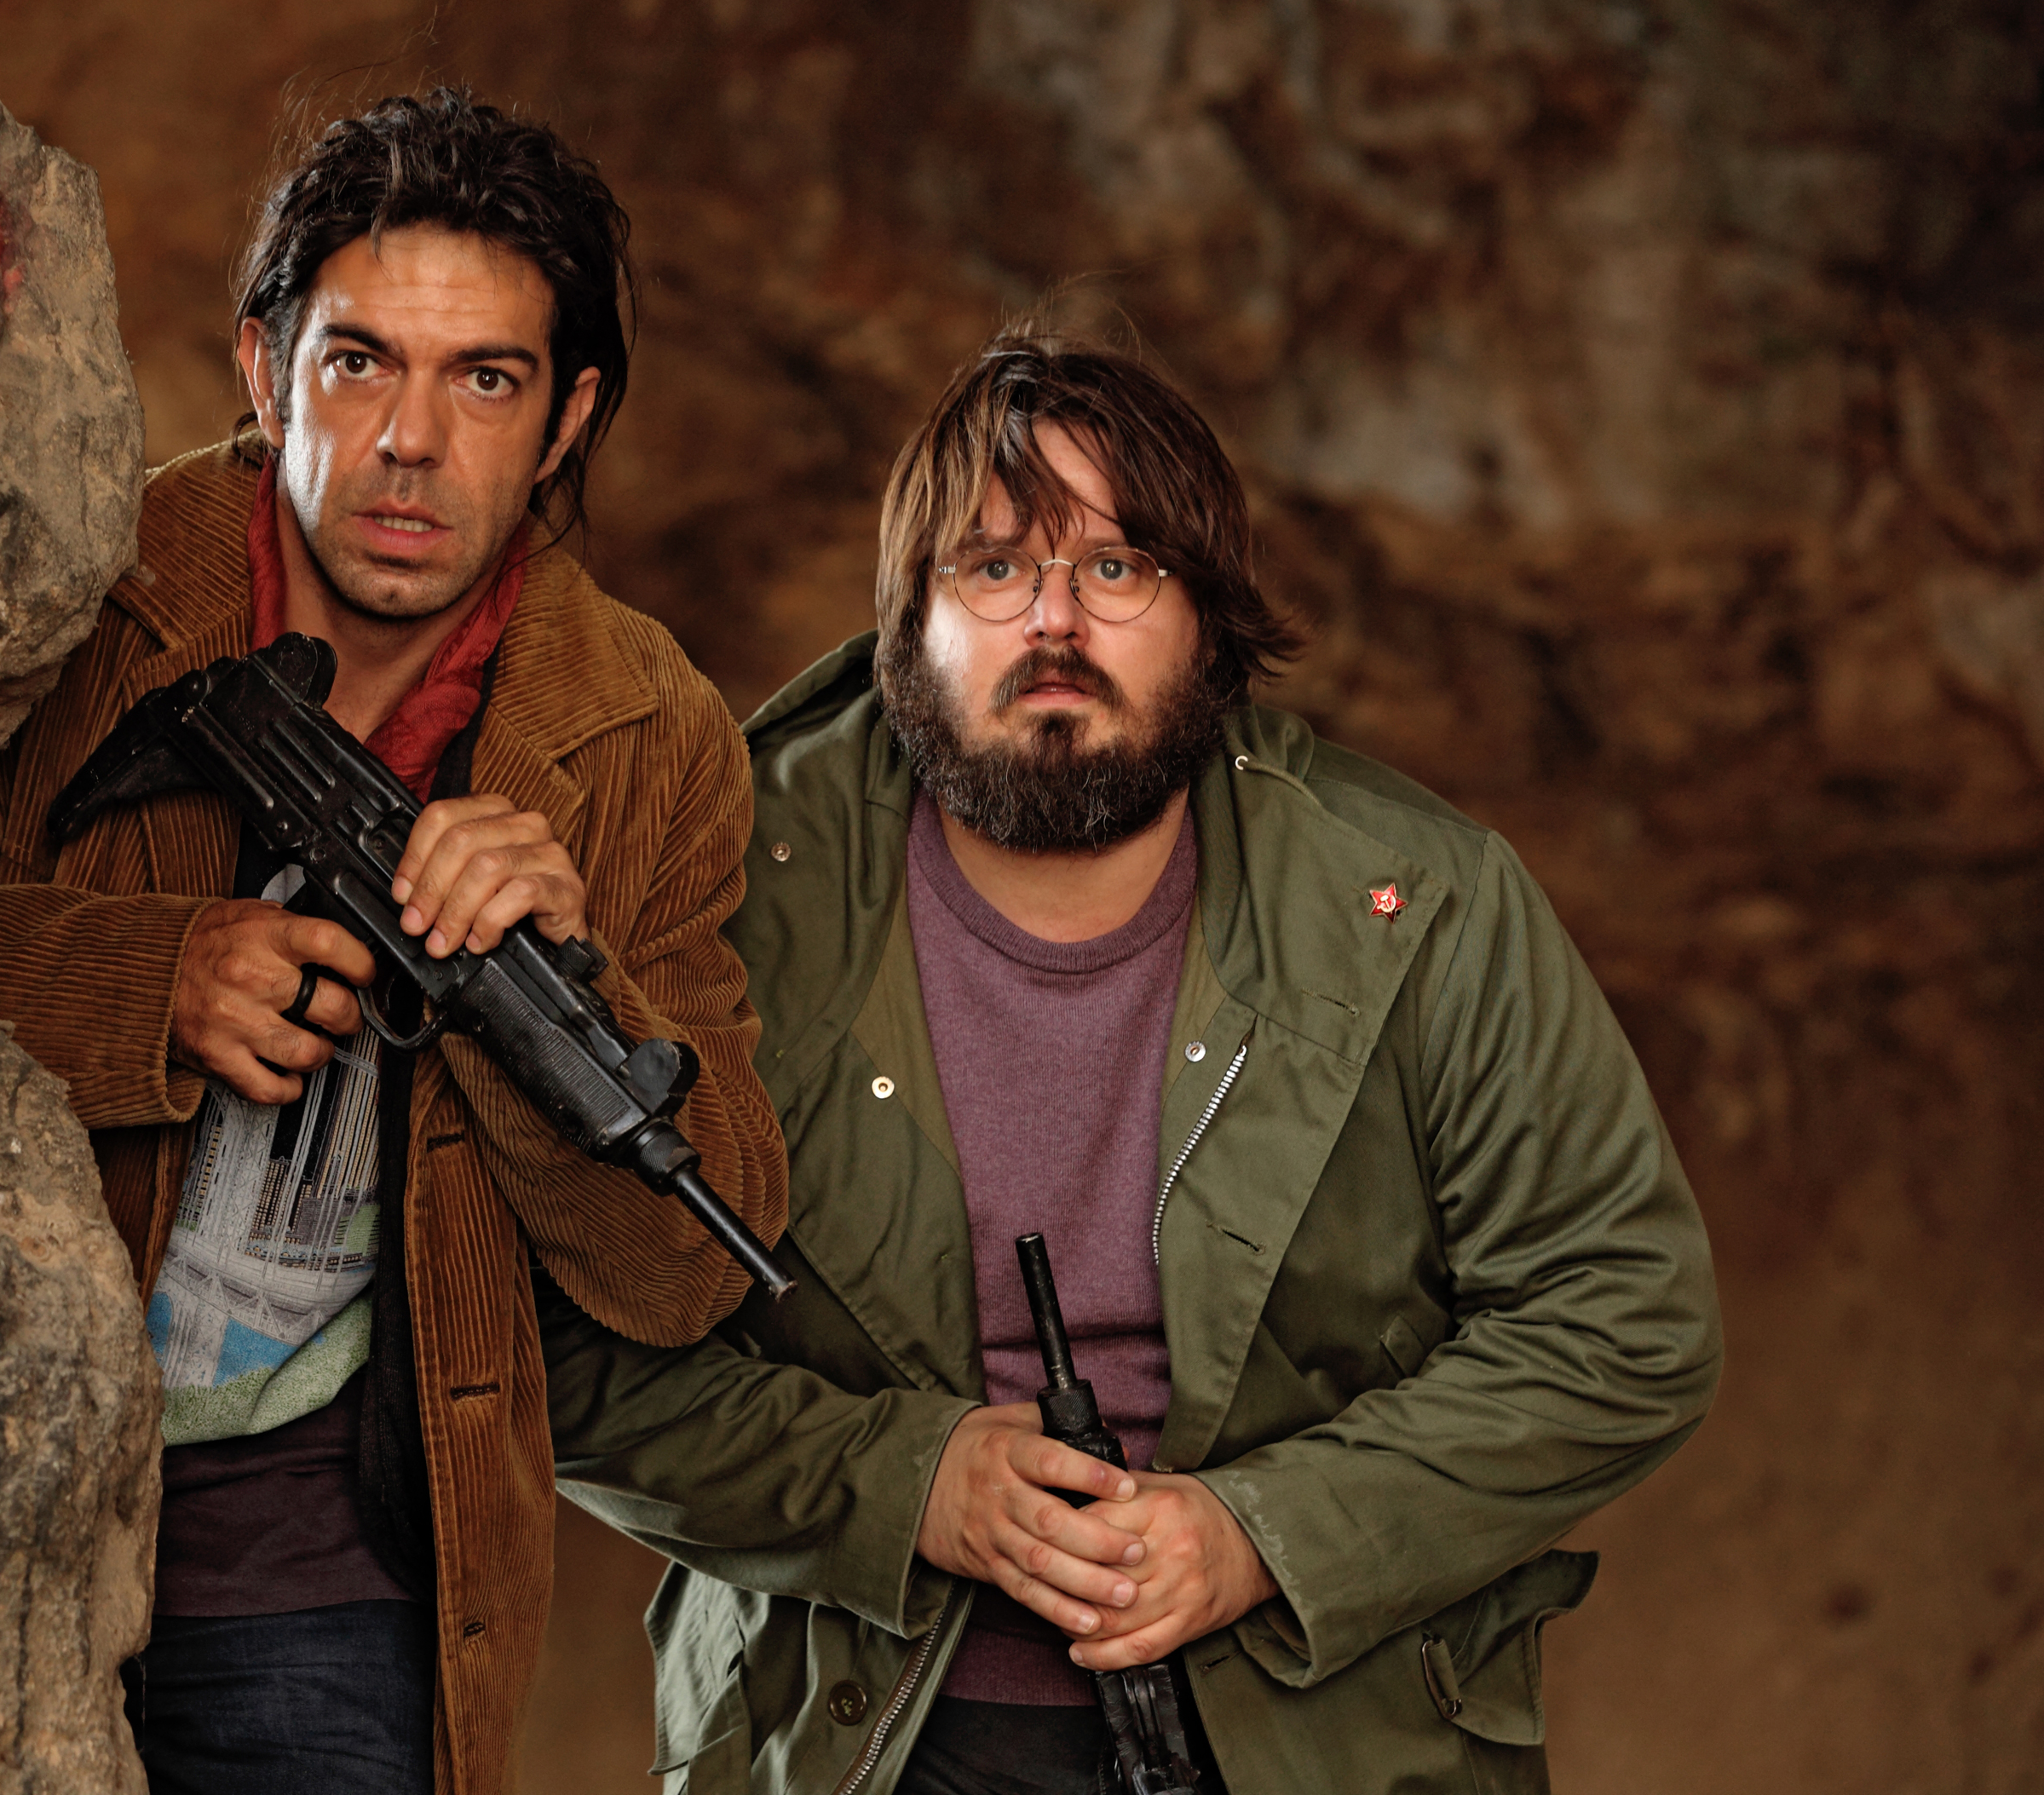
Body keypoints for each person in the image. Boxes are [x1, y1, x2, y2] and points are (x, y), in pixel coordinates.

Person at [541, 333, 1721, 1794]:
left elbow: (1626, 1311)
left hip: (1323, 1736)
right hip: (852, 1737)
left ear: (1210, 619)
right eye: (993, 566)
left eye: (1117, 567)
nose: (1055, 619)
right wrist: (906, 1486)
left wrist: (1264, 1534)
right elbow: (562, 1345)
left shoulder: (1420, 903)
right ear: (907, 622)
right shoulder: (717, 888)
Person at [0, 89, 786, 1795]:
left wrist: (549, 991)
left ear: (569, 416)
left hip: (325, 1579)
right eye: (361, 361)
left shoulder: (645, 732)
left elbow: (689, 1263)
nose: (411, 440)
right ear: (263, 367)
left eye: (488, 380)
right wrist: (148, 981)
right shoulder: (72, 588)